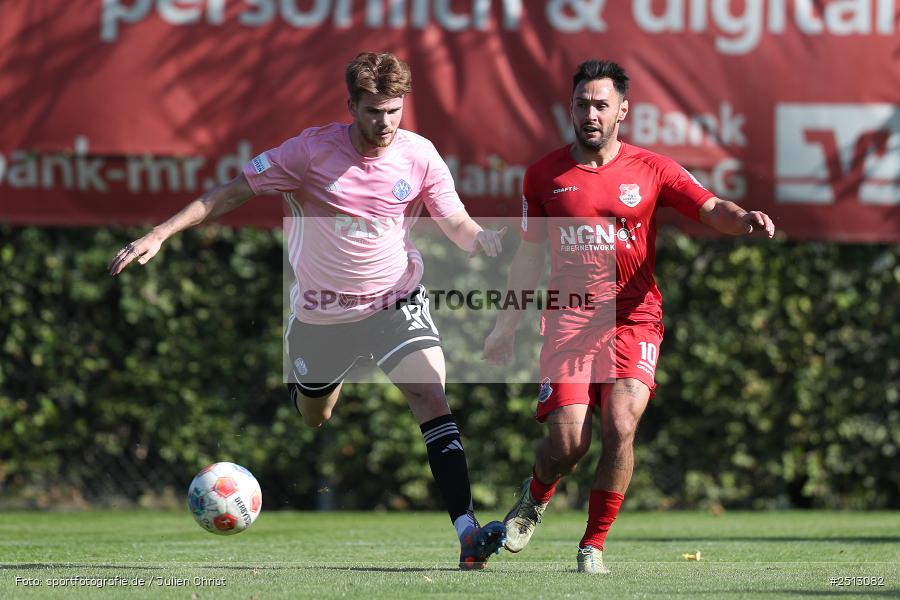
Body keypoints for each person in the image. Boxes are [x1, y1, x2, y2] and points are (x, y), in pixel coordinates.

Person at [109, 51, 507, 570]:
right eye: (372, 112)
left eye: (393, 110)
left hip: (395, 301)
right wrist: (160, 233)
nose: (384, 122)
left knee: (431, 397)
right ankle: (314, 384)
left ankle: (468, 533)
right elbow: (232, 192)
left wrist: (486, 241)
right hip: (321, 316)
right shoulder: (309, 152)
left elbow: (455, 221)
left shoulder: (421, 155)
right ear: (351, 106)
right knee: (314, 417)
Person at [482, 59, 775, 574]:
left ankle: (592, 545)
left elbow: (709, 206)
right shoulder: (542, 175)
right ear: (570, 110)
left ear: (622, 111)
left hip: (635, 319)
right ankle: (534, 494)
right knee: (568, 444)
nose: (589, 113)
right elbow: (528, 258)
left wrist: (742, 219)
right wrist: (506, 326)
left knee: (620, 427)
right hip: (570, 320)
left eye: (600, 105)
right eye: (581, 105)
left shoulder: (652, 168)